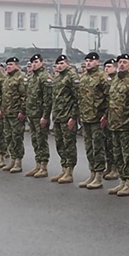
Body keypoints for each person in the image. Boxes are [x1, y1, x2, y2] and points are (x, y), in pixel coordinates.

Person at [106, 54, 129, 197]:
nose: (121, 64)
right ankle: (122, 181)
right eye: (120, 62)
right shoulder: (115, 80)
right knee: (118, 155)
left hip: (128, 125)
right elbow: (111, 102)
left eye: (125, 62)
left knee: (128, 156)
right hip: (114, 124)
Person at [76, 52, 110, 189]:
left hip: (97, 118)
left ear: (98, 62)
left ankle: (99, 176)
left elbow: (109, 98)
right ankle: (92, 173)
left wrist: (105, 115)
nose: (88, 63)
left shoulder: (103, 77)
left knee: (98, 148)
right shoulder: (83, 77)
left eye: (91, 60)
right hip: (86, 118)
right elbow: (80, 97)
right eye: (87, 60)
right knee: (89, 148)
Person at [49, 55, 79, 183]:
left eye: (62, 63)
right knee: (60, 144)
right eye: (58, 64)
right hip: (58, 116)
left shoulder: (71, 77)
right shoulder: (57, 77)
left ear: (67, 63)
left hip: (67, 117)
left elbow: (77, 98)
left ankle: (69, 172)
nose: (59, 66)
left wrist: (73, 117)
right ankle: (64, 168)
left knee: (69, 145)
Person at [24, 54, 52, 177]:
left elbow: (47, 99)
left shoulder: (44, 77)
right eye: (32, 63)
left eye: (36, 62)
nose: (34, 64)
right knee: (35, 140)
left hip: (40, 115)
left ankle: (44, 167)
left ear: (42, 62)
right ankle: (38, 164)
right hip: (32, 114)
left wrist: (45, 116)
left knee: (41, 141)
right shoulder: (32, 77)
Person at [0, 57, 27, 173]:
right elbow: (4, 96)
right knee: (8, 137)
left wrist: (22, 111)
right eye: (7, 65)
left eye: (11, 64)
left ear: (17, 65)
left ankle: (18, 162)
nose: (8, 66)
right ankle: (12, 159)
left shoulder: (20, 77)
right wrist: (2, 109)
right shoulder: (7, 78)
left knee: (17, 138)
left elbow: (24, 96)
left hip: (16, 113)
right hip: (7, 113)